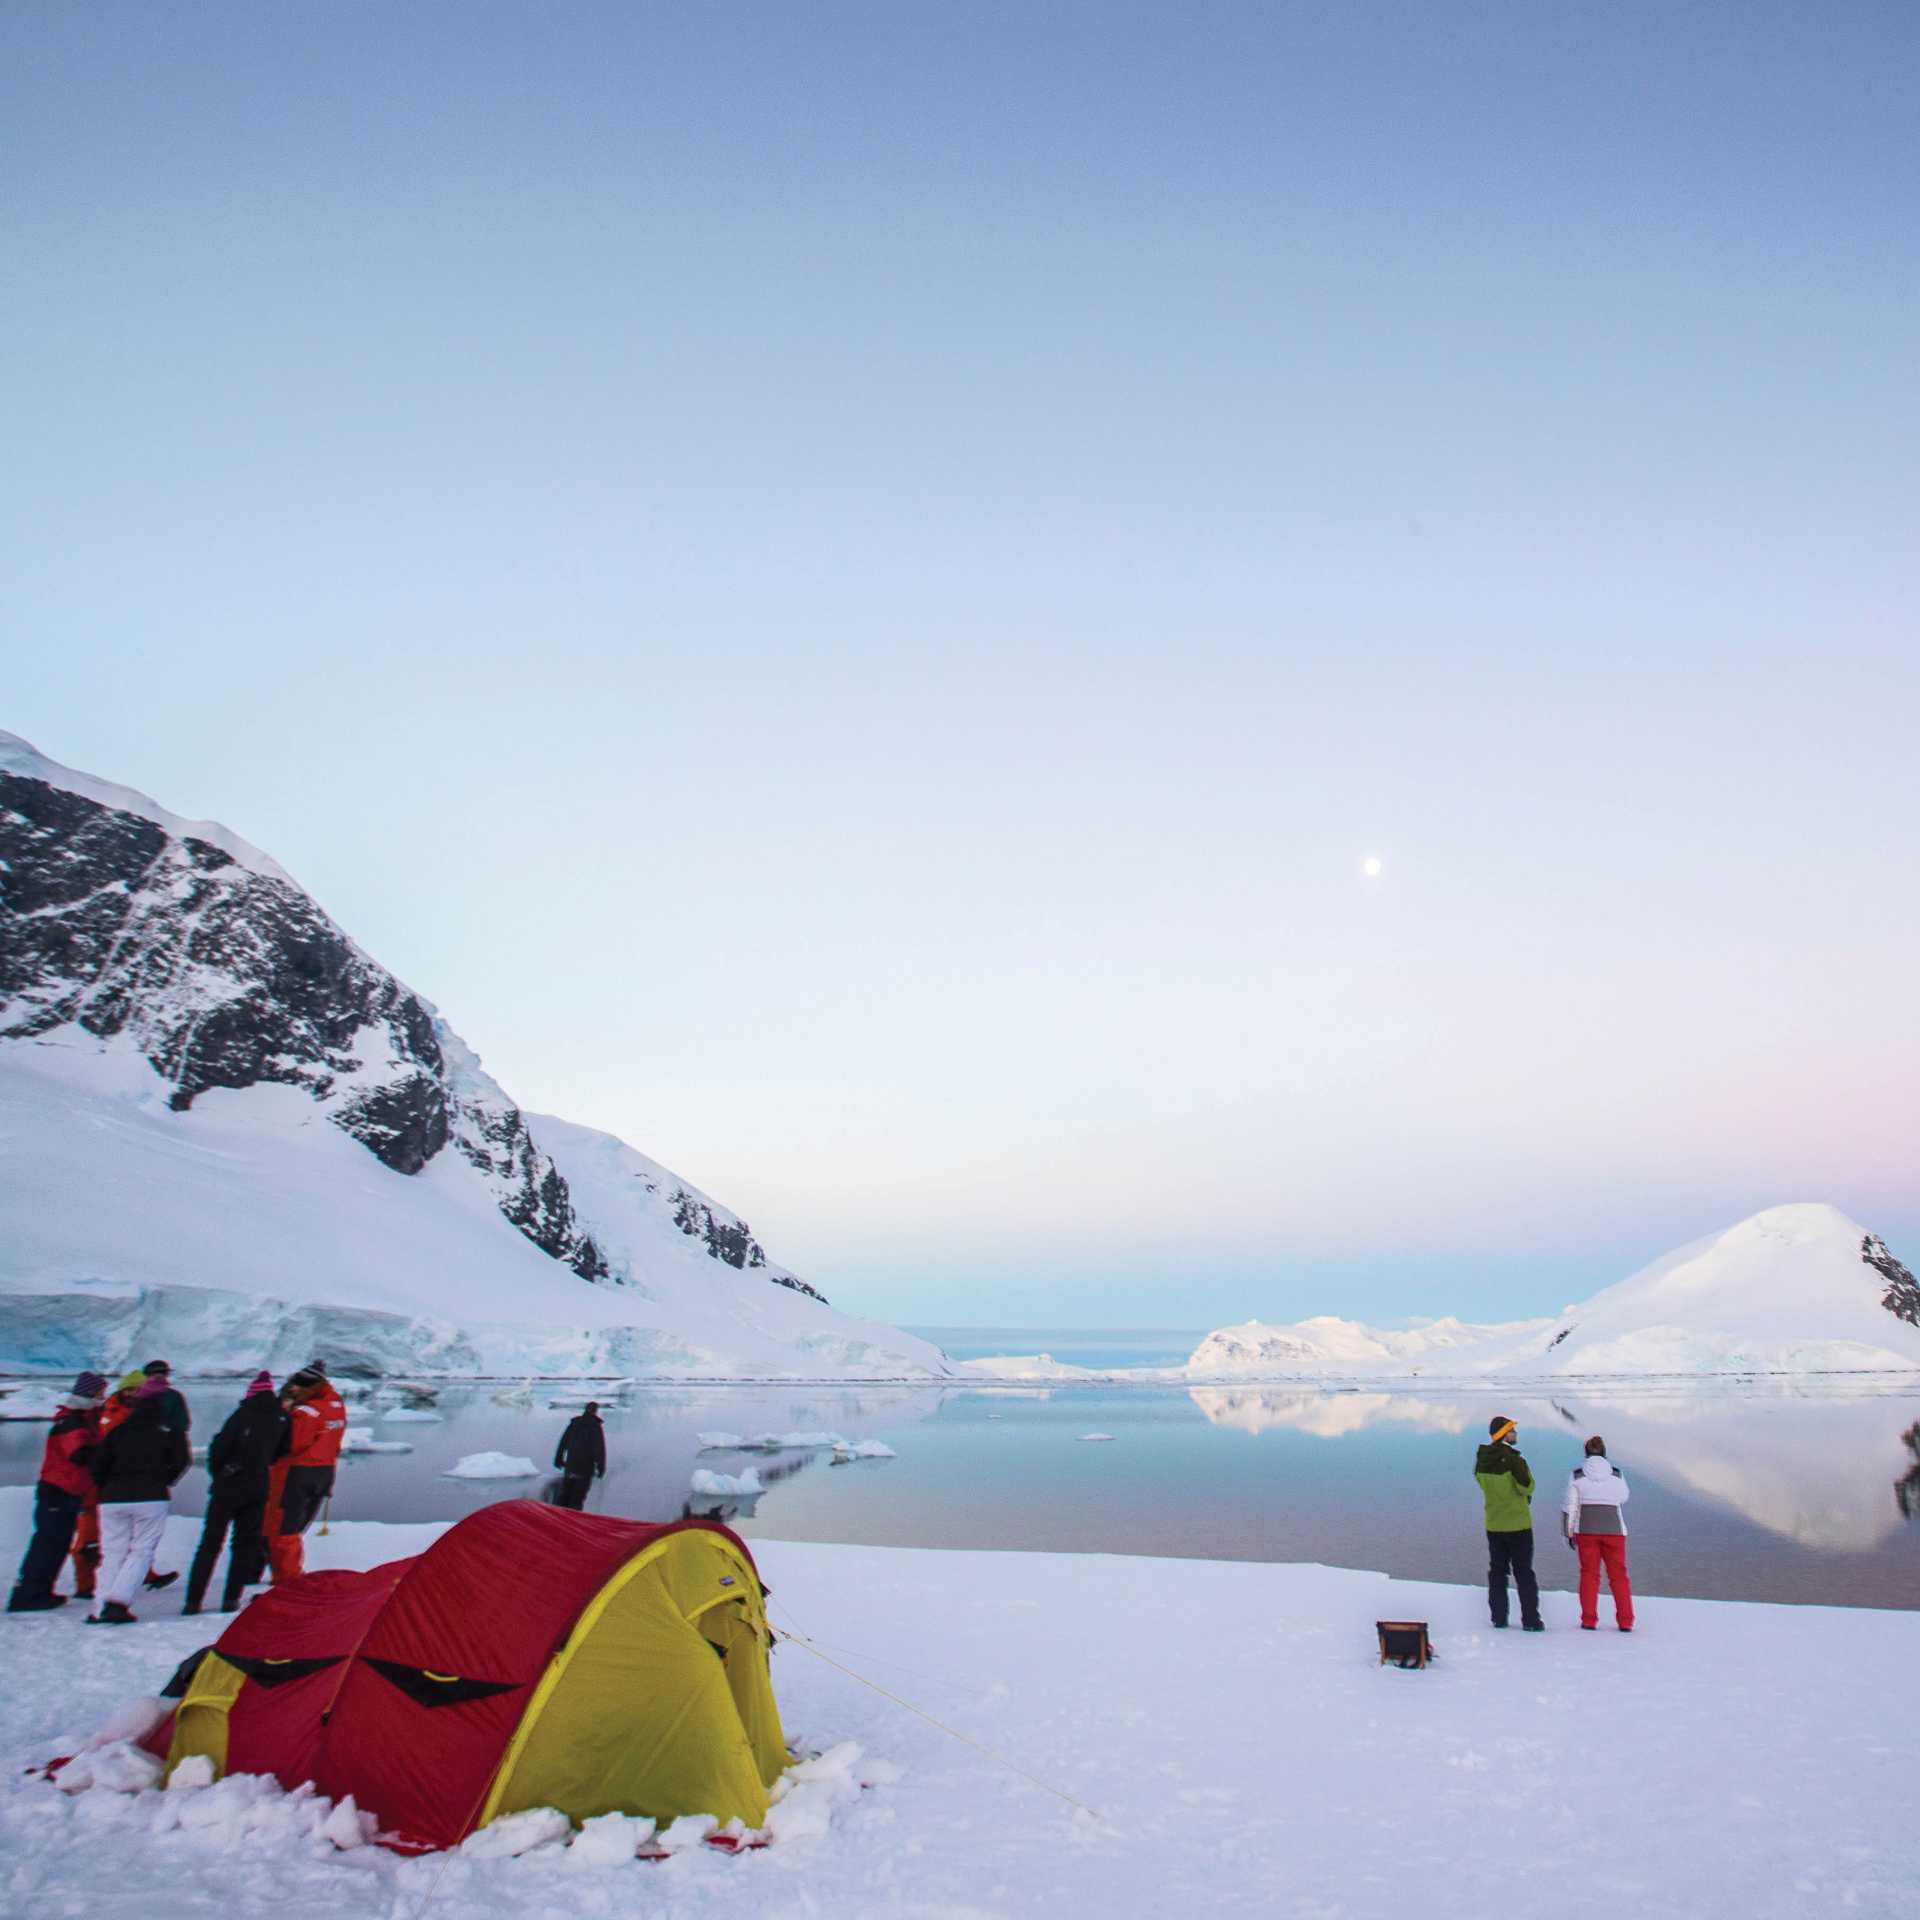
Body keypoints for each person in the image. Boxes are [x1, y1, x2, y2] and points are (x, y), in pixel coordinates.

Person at [88, 1377, 191, 1624]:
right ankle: (117, 1602)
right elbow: (182, 1460)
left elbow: (98, 1465)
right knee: (141, 1551)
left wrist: (108, 1487)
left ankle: (99, 1606)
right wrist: (164, 1480)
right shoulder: (170, 1430)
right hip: (152, 1497)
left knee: (112, 1553)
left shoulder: (119, 1430)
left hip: (112, 1499)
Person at [184, 1372, 289, 1615]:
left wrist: (221, 1473)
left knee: (210, 1544)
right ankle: (231, 1598)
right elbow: (283, 1449)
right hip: (259, 1485)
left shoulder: (242, 1415)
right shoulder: (282, 1417)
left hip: (229, 1486)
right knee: (245, 1544)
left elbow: (219, 1447)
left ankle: (193, 1600)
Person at [72, 1370, 179, 1598]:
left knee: (125, 1544)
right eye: (132, 1389)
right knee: (93, 1540)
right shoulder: (112, 1414)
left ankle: (127, 1584)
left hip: (113, 1488)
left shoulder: (126, 1415)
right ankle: (89, 1587)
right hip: (108, 1487)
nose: (135, 1393)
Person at [7, 1372, 108, 1612]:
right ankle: (27, 1595)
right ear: (89, 1394)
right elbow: (79, 1454)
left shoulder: (83, 1419)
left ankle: (39, 1592)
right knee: (48, 1543)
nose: (102, 1398)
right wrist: (109, 1453)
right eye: (99, 1393)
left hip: (68, 1492)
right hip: (57, 1492)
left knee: (57, 1543)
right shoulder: (71, 1422)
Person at [269, 1364, 346, 1582]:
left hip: (299, 1472)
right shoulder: (336, 1403)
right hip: (325, 1471)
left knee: (285, 1528)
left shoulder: (306, 1412)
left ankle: (287, 1580)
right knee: (297, 1525)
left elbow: (293, 1443)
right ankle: (287, 1571)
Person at [1474, 1414, 1544, 1631]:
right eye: (1512, 1431)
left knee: (1497, 1571)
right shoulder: (1515, 1460)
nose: (1516, 1434)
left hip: (1494, 1524)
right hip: (1518, 1524)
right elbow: (1527, 1486)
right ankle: (1531, 1620)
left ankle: (1499, 1617)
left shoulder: (1482, 1460)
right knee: (1524, 1572)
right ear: (1504, 1434)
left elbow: (1481, 1482)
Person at [1564, 1435, 1635, 1632]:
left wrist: (1569, 1533)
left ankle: (1588, 1620)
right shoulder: (1617, 1474)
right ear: (1604, 1452)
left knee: (1589, 1575)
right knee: (1619, 1577)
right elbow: (1623, 1497)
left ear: (1586, 1452)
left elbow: (1570, 1506)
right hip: (1614, 1531)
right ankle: (1626, 1621)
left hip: (1586, 1531)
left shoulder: (1577, 1475)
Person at [552, 1402, 607, 1510]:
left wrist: (558, 1459)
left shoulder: (574, 1423)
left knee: (564, 1497)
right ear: (596, 1411)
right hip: (584, 1469)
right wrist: (601, 1468)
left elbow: (563, 1442)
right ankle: (572, 1522)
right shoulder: (595, 1426)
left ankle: (559, 1519)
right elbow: (599, 1449)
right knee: (577, 1499)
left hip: (570, 1466)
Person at [140, 1358, 192, 1435]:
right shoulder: (135, 1395)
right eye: (155, 1372)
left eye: (163, 1372)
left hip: (166, 1441)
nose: (159, 1375)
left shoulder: (174, 1396)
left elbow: (183, 1424)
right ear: (147, 1375)